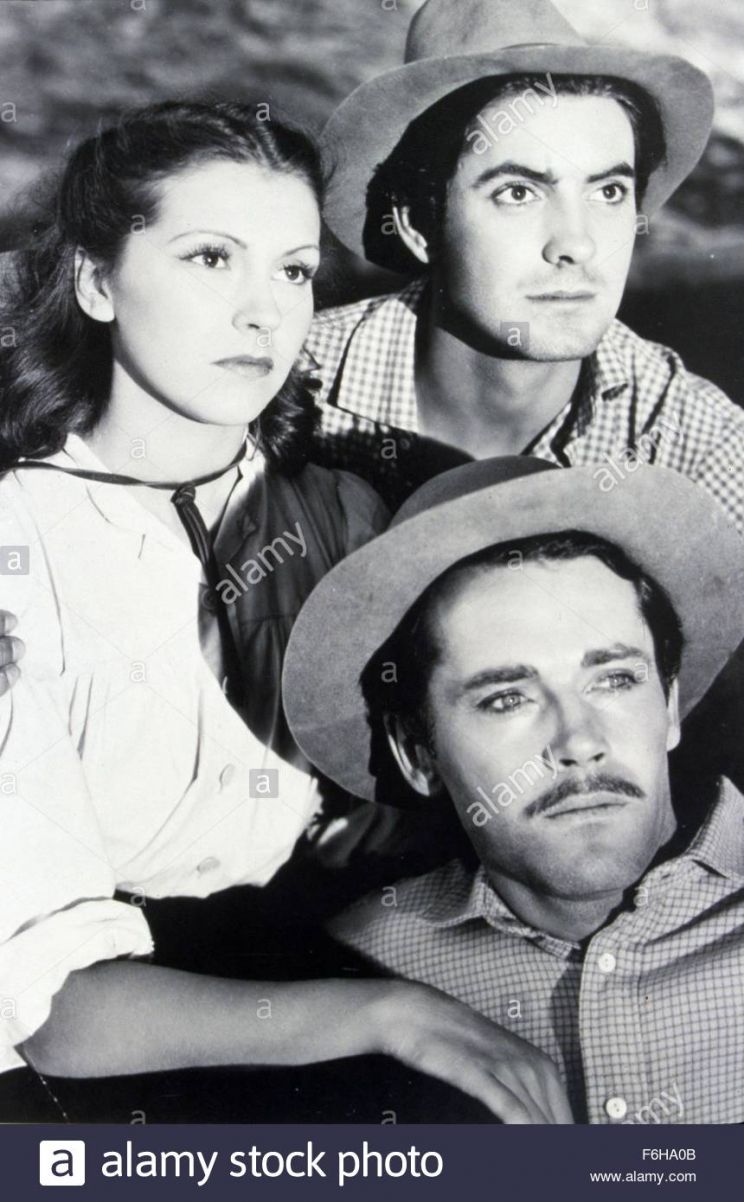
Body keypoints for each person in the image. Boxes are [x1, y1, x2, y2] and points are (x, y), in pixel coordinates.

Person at [0, 101, 571, 1124]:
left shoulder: (349, 507)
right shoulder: (21, 548)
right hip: (115, 1060)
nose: (264, 313)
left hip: (343, 952)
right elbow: (56, 1014)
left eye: (294, 271)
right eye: (211, 259)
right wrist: (387, 1016)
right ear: (95, 281)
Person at [283, 457, 744, 1123]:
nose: (578, 741)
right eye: (507, 698)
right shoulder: (349, 974)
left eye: (614, 679)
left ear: (669, 706)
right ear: (417, 754)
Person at [304, 0, 744, 521]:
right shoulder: (285, 388)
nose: (577, 244)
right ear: (418, 225)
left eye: (608, 192)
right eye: (518, 193)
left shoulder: (698, 444)